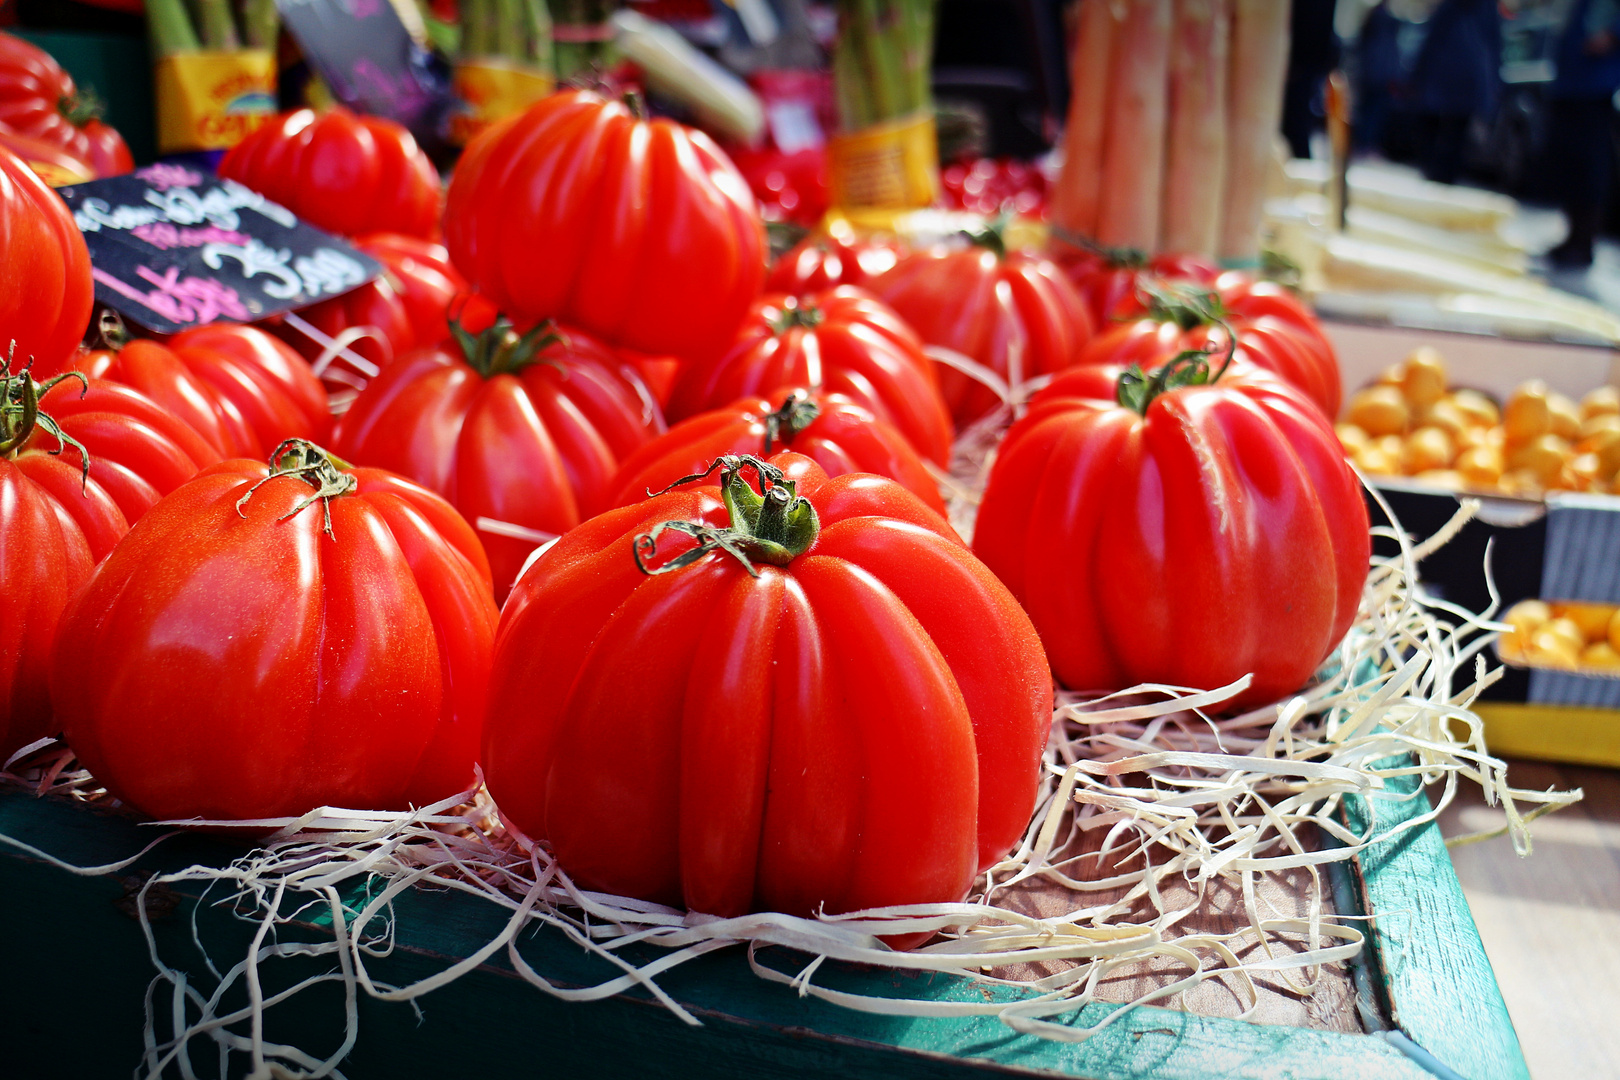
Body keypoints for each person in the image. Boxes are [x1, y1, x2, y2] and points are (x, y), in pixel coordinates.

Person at [1546, 0, 1620, 269]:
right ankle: (1573, 237)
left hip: (1595, 86)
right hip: (1572, 83)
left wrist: (1612, 33)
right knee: (1571, 166)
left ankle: (1583, 242)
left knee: (1588, 167)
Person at [1406, 0, 1500, 184]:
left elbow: (1432, 38)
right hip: (1469, 77)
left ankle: (1435, 169)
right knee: (1456, 129)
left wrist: (1417, 74)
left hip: (1445, 74)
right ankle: (1446, 173)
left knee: (1434, 124)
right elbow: (1494, 45)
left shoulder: (1451, 7)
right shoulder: (1487, 8)